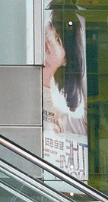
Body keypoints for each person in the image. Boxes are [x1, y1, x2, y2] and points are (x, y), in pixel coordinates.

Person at [43, 3, 87, 138]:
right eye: (50, 26)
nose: (49, 37)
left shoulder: (66, 98)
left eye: (58, 39)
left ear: (66, 59)